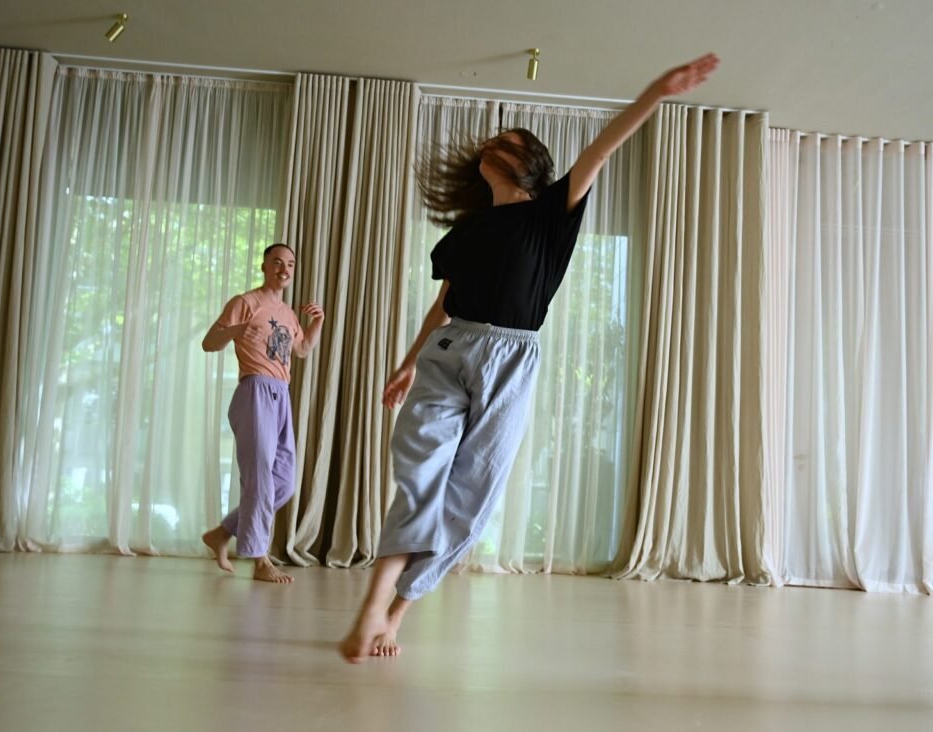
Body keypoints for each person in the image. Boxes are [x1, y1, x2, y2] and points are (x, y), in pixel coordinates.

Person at [340, 53, 720, 660]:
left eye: (507, 141)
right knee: (420, 478)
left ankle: (396, 614)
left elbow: (600, 151)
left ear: (529, 165)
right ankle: (370, 608)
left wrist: (657, 91)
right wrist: (408, 362)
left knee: (470, 496)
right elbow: (443, 305)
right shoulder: (469, 229)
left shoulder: (550, 216)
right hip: (448, 351)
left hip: (510, 362)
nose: (492, 144)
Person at [200, 243, 324, 583]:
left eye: (290, 264)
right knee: (259, 479)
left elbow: (302, 349)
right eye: (278, 263)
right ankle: (259, 560)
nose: (284, 269)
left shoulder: (288, 314)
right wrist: (236, 331)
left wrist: (317, 322)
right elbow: (209, 343)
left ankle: (221, 533)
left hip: (281, 394)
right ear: (264, 266)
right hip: (254, 389)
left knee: (283, 481)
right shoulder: (245, 302)